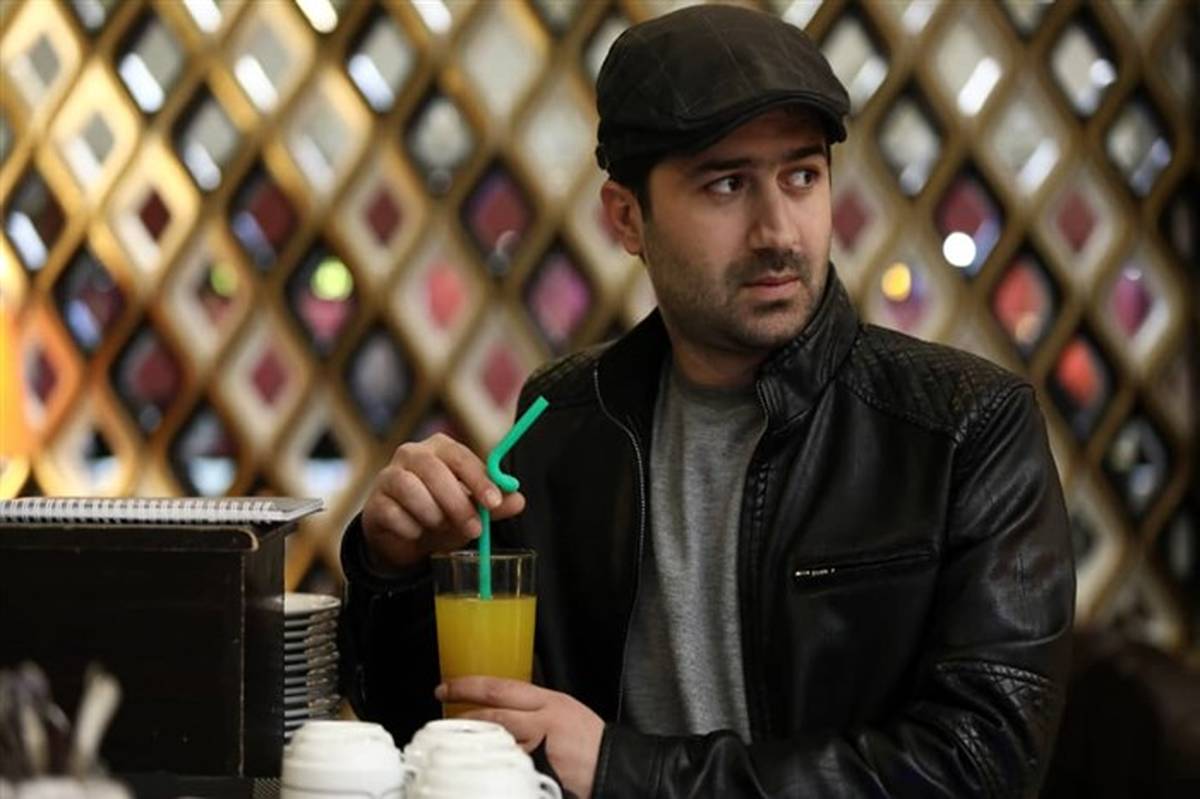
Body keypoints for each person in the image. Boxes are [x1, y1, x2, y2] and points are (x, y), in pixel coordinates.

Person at [338, 5, 1075, 797]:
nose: (778, 231)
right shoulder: (565, 421)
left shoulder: (966, 427)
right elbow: (449, 742)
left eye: (802, 176)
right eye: (727, 184)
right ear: (628, 217)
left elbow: (982, 765)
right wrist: (395, 570)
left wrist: (625, 768)